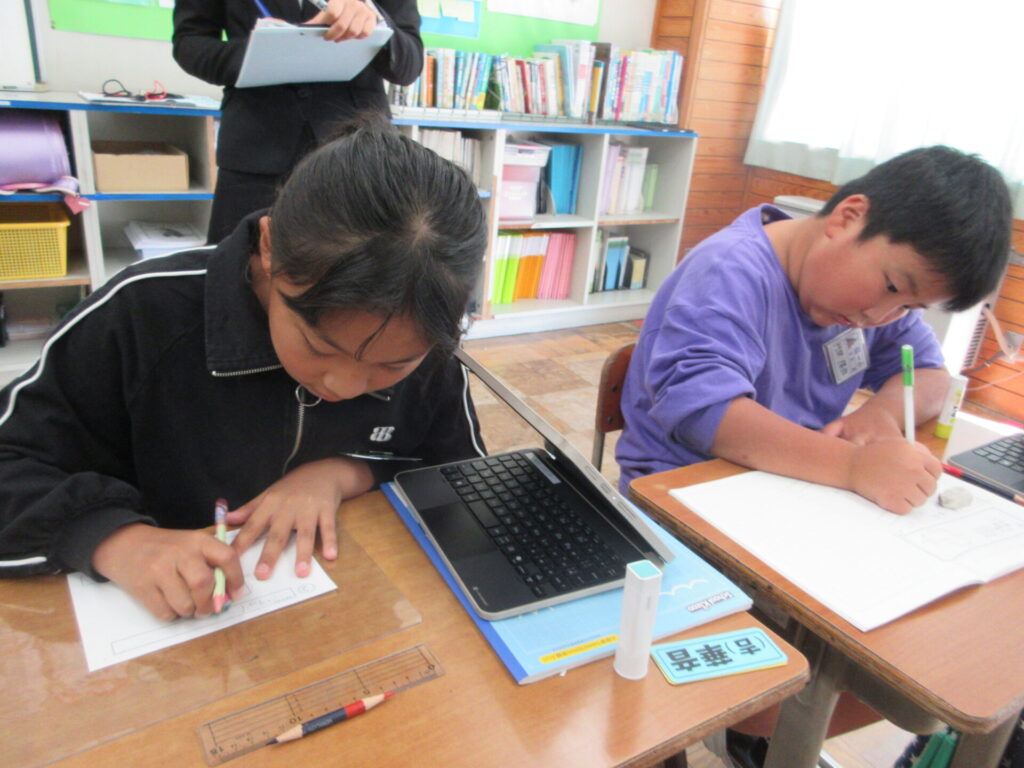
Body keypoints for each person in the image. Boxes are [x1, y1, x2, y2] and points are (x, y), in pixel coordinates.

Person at [0, 119, 488, 623]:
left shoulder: (427, 338)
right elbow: (12, 461)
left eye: (392, 364)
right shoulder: (140, 315)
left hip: (343, 615)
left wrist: (348, 472)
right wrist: (114, 538)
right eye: (319, 346)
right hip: (161, 628)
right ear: (270, 247)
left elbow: (461, 478)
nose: (343, 386)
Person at [618, 145, 1012, 516]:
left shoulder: (870, 306)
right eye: (892, 286)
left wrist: (882, 413)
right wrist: (854, 465)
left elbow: (930, 376)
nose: (879, 315)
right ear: (848, 217)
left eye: (910, 307)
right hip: (685, 496)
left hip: (790, 486)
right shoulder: (727, 272)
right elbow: (705, 414)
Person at [172, 0, 423, 242]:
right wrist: (263, 52)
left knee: (365, 266)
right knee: (240, 262)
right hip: (256, 148)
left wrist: (371, 16)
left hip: (358, 152)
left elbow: (409, 64)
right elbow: (190, 43)